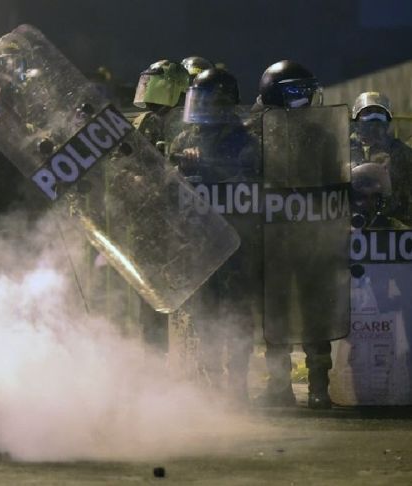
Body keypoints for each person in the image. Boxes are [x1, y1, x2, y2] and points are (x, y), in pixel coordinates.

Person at [168, 68, 261, 402]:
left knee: (237, 311)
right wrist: (182, 168)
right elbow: (169, 184)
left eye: (213, 100)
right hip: (198, 239)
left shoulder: (247, 140)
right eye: (202, 99)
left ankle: (237, 384)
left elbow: (252, 180)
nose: (206, 107)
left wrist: (206, 166)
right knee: (204, 312)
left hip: (238, 240)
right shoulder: (185, 139)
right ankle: (210, 385)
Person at [253, 60, 336, 409]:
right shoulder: (255, 133)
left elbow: (335, 186)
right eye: (295, 91)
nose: (304, 97)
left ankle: (319, 385)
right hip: (273, 238)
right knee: (276, 316)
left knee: (316, 312)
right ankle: (279, 385)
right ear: (275, 94)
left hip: (312, 237)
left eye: (306, 90)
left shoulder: (323, 137)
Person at [350, 91, 412, 227]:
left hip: (391, 223)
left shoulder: (400, 152)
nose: (373, 124)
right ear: (356, 121)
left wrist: (392, 173)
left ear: (387, 123)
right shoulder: (344, 148)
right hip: (349, 221)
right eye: (368, 114)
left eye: (379, 116)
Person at [131, 59, 190, 150]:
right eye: (147, 87)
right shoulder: (143, 121)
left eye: (155, 88)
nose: (148, 93)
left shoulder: (191, 125)